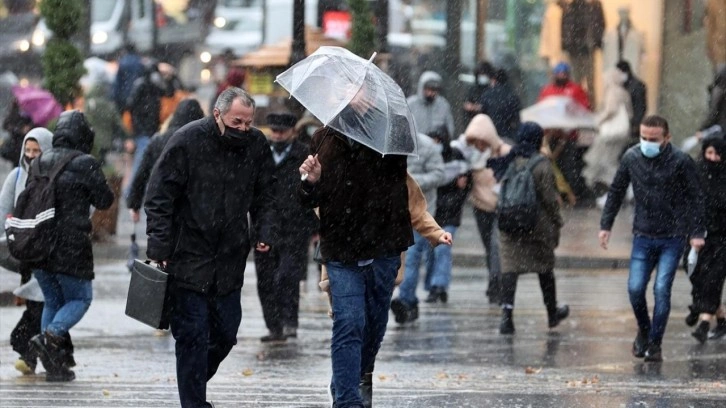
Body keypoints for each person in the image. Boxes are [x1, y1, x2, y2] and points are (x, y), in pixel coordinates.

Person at [144, 87, 277, 408]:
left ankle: (191, 381)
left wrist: (265, 230)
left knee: (225, 334)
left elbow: (267, 195)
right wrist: (159, 246)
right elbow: (158, 196)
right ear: (217, 115)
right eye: (237, 122)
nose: (243, 129)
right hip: (187, 254)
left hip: (230, 257)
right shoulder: (187, 141)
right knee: (192, 336)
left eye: (248, 122)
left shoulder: (256, 145)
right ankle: (193, 402)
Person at [297, 95, 415, 407]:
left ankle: (352, 375)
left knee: (374, 327)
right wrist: (311, 182)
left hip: (383, 245)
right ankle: (347, 400)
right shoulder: (322, 139)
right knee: (348, 322)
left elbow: (392, 186)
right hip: (341, 248)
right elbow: (308, 200)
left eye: (360, 95)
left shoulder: (390, 133)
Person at [599, 115, 705, 362]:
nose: (647, 143)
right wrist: (606, 225)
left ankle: (655, 344)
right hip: (643, 234)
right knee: (635, 289)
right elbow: (615, 191)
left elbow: (696, 198)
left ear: (667, 138)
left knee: (661, 289)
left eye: (653, 139)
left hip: (673, 236)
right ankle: (644, 331)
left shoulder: (681, 161)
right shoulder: (632, 157)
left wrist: (697, 233)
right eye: (643, 138)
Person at [29, 111, 114, 382]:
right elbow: (104, 200)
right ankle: (50, 336)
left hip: (39, 243)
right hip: (71, 244)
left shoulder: (40, 161)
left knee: (52, 300)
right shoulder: (85, 162)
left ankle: (54, 367)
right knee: (80, 298)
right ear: (83, 135)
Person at [496, 122, 569, 335]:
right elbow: (549, 199)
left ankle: (506, 318)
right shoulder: (541, 164)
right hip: (536, 226)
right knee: (545, 270)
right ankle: (552, 314)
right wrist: (558, 221)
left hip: (509, 224)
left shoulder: (510, 160)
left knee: (509, 270)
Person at [254, 111, 318, 342]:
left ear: (292, 131)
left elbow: (314, 192)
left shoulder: (304, 155)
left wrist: (315, 228)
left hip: (295, 226)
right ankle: (274, 326)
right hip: (265, 227)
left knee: (287, 276)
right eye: (275, 130)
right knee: (266, 278)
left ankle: (290, 321)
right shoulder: (261, 154)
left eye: (282, 131)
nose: (278, 135)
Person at [0, 127, 52, 375]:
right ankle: (39, 352)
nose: (31, 155)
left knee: (45, 302)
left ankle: (33, 350)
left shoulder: (55, 175)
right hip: (24, 251)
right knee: (37, 303)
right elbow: (3, 211)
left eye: (37, 150)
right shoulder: (16, 176)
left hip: (49, 250)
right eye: (28, 150)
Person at [390, 131, 445, 323]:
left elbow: (439, 173)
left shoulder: (427, 147)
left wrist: (413, 183)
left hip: (419, 213)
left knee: (411, 258)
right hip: (392, 213)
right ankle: (409, 299)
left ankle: (404, 299)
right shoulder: (388, 145)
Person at [126, 99, 205, 222]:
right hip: (193, 206)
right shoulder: (203, 142)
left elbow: (142, 173)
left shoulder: (158, 140)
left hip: (161, 202)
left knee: (161, 237)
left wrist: (134, 204)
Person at [462, 114, 512, 304]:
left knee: (496, 247)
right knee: (489, 249)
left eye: (481, 140)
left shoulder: (504, 152)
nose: (478, 145)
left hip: (501, 208)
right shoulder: (470, 155)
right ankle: (495, 283)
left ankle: (496, 286)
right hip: (481, 208)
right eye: (474, 141)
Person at [423, 127, 471, 303]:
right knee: (430, 254)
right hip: (431, 213)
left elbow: (465, 186)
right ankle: (434, 286)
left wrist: (452, 200)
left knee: (442, 250)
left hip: (449, 214)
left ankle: (438, 286)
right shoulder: (427, 156)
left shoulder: (456, 157)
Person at [538, 62, 593, 205]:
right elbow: (542, 108)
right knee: (552, 166)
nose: (560, 76)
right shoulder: (547, 90)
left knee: (569, 166)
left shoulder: (575, 90)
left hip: (568, 136)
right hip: (551, 135)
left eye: (563, 74)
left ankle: (572, 195)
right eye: (558, 73)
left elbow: (584, 108)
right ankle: (555, 194)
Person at [689, 136, 726, 343]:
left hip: (723, 236)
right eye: (709, 153)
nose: (713, 158)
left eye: (717, 154)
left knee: (715, 276)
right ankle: (720, 317)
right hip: (700, 234)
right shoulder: (697, 172)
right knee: (697, 274)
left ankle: (704, 321)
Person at [124, 60, 176, 194]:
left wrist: (170, 77)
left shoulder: (152, 85)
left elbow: (169, 93)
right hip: (143, 129)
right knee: (142, 159)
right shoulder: (142, 85)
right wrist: (140, 118)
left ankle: (135, 190)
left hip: (149, 128)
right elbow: (130, 105)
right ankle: (131, 191)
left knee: (144, 159)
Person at [583, 69, 633, 198]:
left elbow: (611, 110)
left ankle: (622, 186)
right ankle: (623, 187)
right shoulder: (624, 92)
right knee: (611, 160)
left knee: (606, 161)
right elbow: (630, 113)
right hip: (622, 133)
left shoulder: (612, 91)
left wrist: (599, 120)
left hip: (611, 134)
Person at [406, 71, 455, 138]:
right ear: (422, 87)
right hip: (415, 146)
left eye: (434, 90)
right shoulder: (411, 103)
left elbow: (449, 128)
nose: (430, 93)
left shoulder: (443, 105)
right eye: (428, 89)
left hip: (437, 146)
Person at [477, 69, 522, 141]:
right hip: (510, 135)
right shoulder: (512, 94)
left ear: (494, 80)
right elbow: (517, 117)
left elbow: (483, 115)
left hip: (493, 135)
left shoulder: (487, 95)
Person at [616, 60, 647, 145]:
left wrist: (635, 124)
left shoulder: (637, 86)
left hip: (632, 125)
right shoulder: (622, 85)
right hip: (623, 124)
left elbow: (640, 107)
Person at [112, 43, 144, 113]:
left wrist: (114, 96)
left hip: (124, 96)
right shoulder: (140, 62)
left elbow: (118, 82)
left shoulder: (123, 63)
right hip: (138, 96)